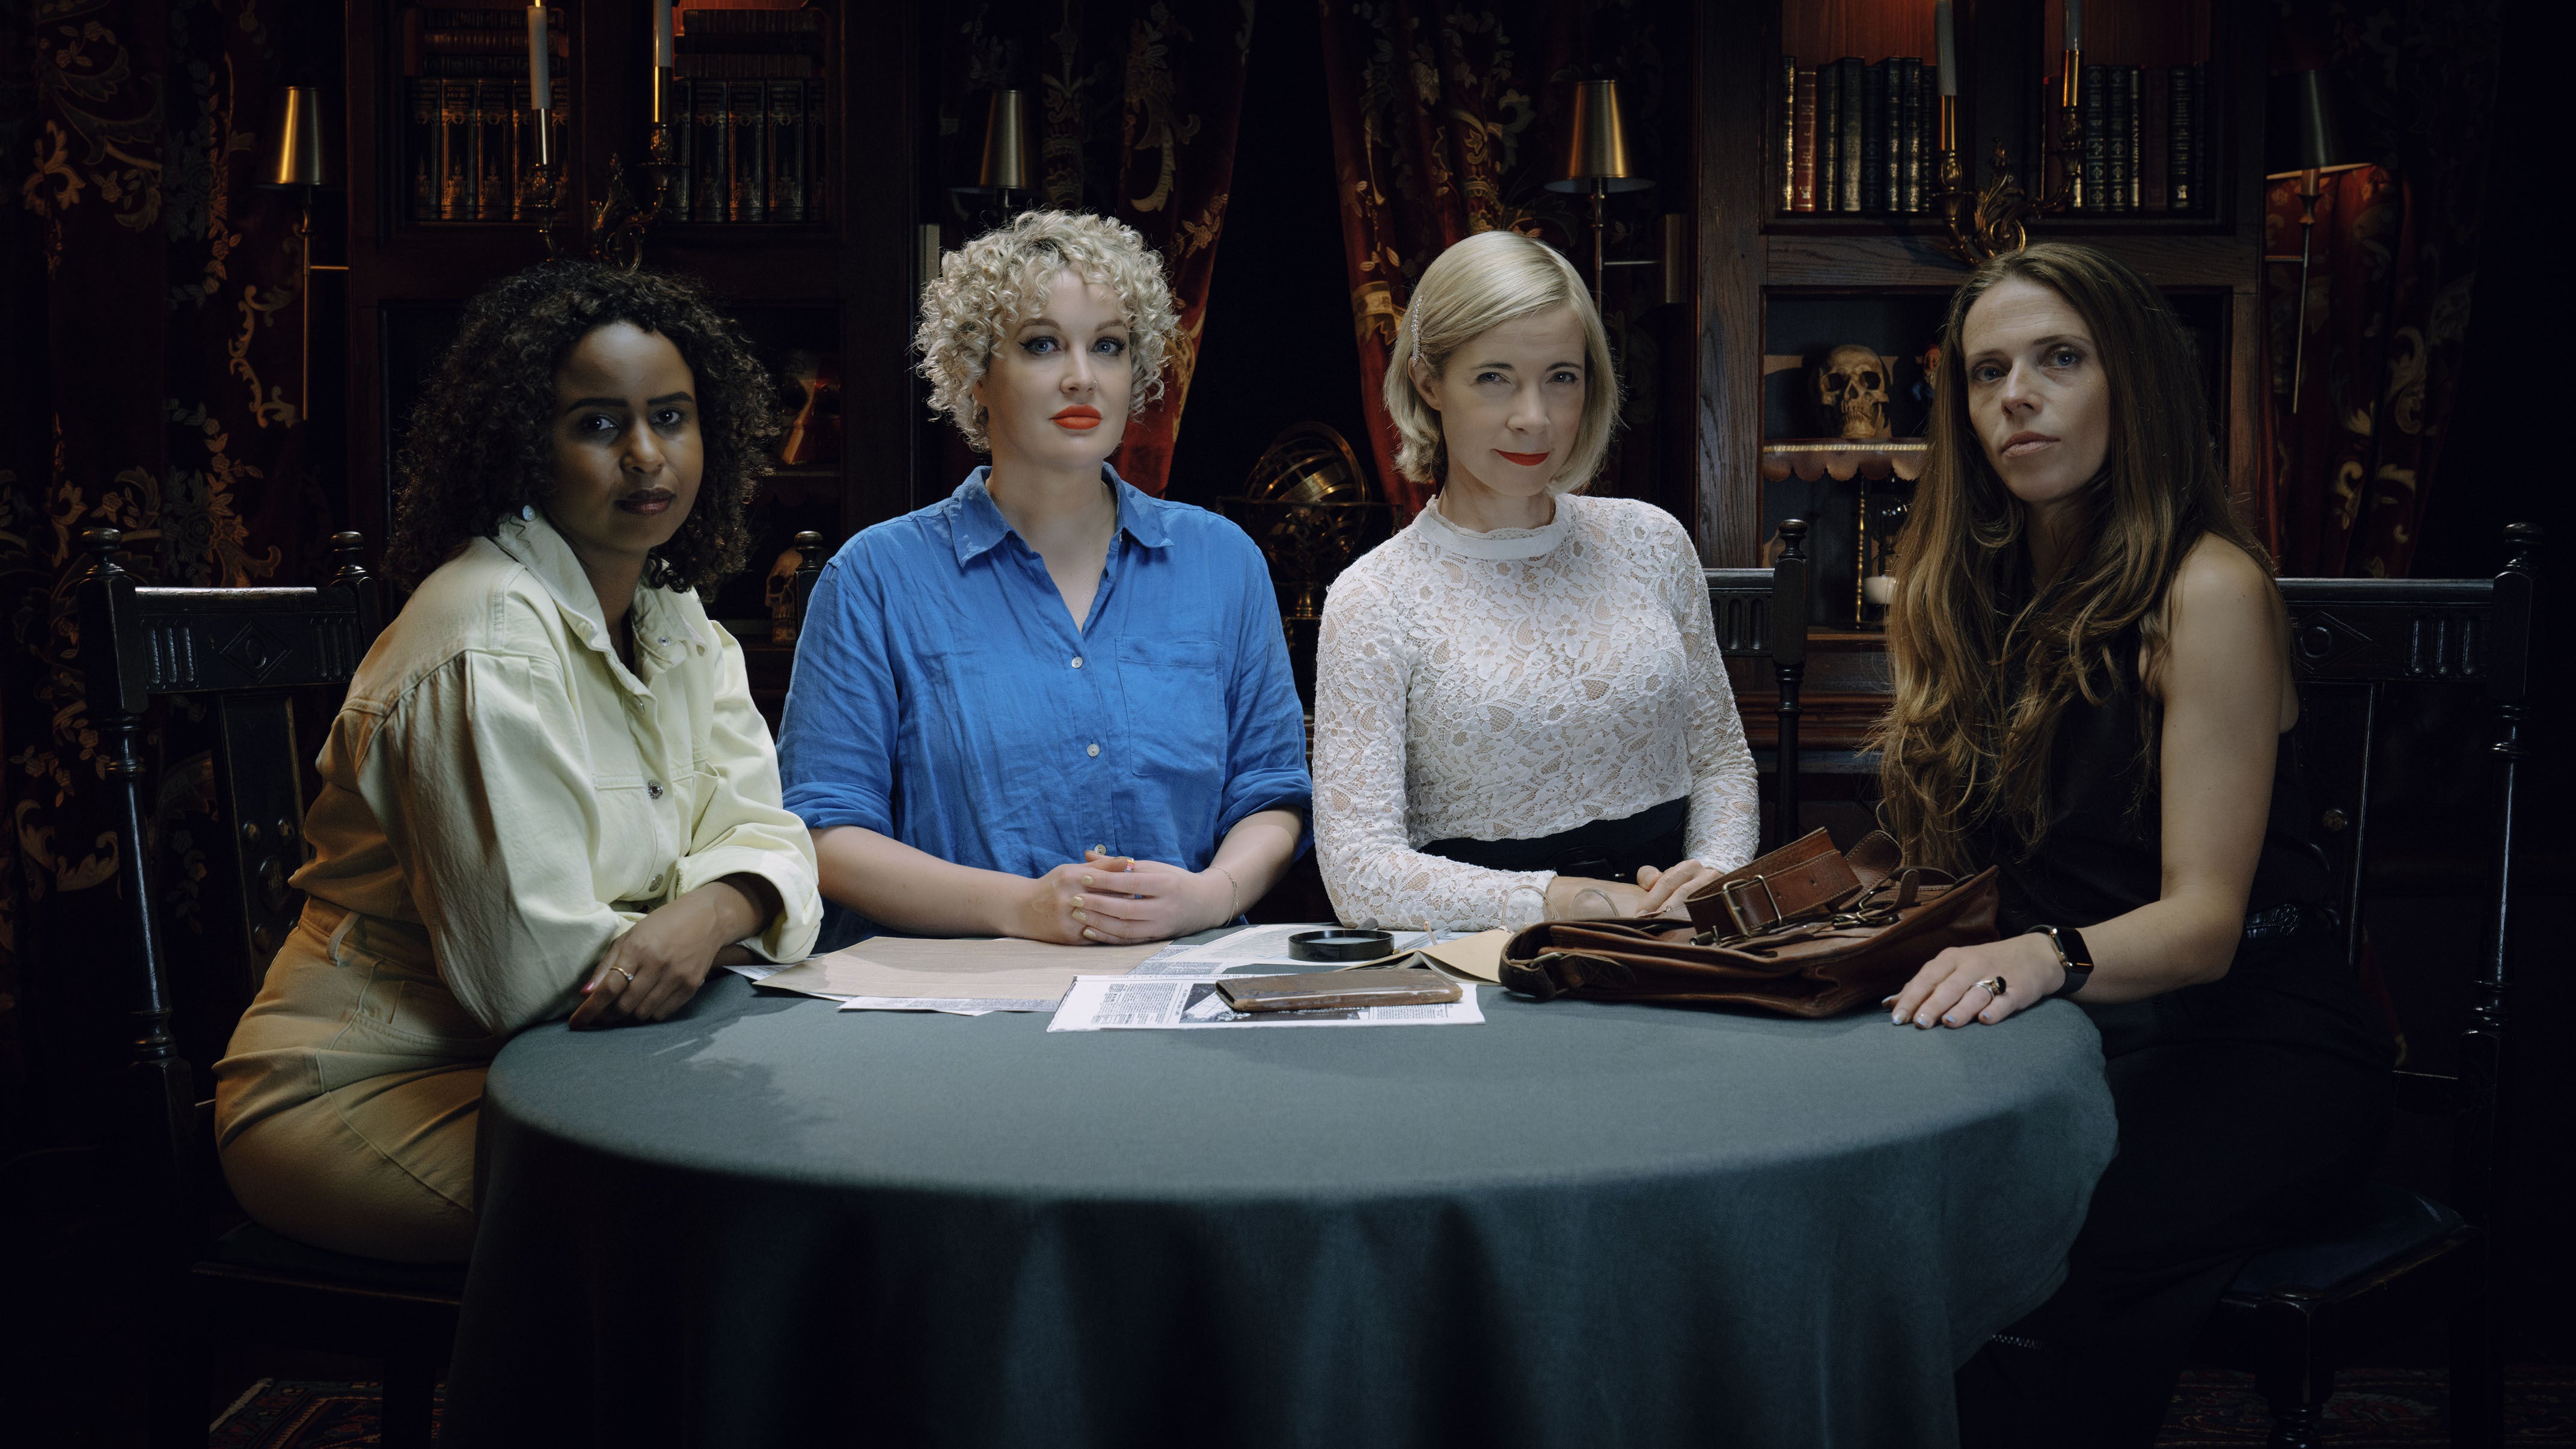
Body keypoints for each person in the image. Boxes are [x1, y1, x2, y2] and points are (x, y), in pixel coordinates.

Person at [1874, 242, 2395, 1445]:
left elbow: (2204, 925)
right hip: (2071, 1042)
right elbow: (1967, 870)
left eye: (2060, 358)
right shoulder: (1968, 593)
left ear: (2135, 383)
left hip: (2253, 1047)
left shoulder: (2207, 589)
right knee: (1867, 1194)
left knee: (2016, 1239)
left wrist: (2040, 955)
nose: (2018, 394)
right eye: (1988, 371)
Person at [213, 262, 823, 1263]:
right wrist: (721, 916)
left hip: (574, 1072)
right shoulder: (482, 639)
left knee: (800, 1158)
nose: (645, 455)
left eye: (671, 417)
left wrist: (715, 910)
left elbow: (775, 843)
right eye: (598, 424)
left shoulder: (672, 615)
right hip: (367, 1087)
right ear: (522, 446)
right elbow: (534, 978)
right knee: (730, 1217)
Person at [779, 210, 1308, 949]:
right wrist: (1019, 907)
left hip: (1176, 982)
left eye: (1109, 346)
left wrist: (1209, 895)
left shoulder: (1223, 562)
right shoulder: (875, 577)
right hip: (956, 997)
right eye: (1041, 344)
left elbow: (1271, 793)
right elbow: (824, 831)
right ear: (974, 373)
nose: (1081, 376)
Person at [1312, 229, 1760, 932]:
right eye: (1494, 377)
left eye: (1561, 377)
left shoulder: (1653, 542)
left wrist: (1712, 870)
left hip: (1675, 942)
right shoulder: (1373, 598)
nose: (1534, 417)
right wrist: (1563, 902)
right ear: (1428, 382)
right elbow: (1359, 873)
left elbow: (1722, 762)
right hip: (1484, 959)